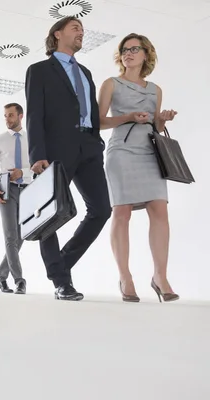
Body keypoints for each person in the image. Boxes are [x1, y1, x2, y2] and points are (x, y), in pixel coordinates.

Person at [24, 16, 112, 301]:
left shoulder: (85, 72)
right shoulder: (39, 70)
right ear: (57, 34)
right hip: (56, 150)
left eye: (83, 30)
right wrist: (37, 154)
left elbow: (91, 111)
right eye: (76, 28)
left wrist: (97, 140)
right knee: (49, 214)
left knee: (101, 209)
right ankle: (61, 281)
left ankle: (60, 264)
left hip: (89, 145)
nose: (81, 33)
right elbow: (35, 115)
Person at [98, 33, 179, 303]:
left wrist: (162, 120)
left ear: (146, 54)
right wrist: (129, 117)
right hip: (122, 149)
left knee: (160, 209)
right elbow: (98, 122)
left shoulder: (155, 89)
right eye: (124, 50)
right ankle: (125, 277)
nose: (128, 53)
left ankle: (160, 276)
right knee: (121, 211)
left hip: (149, 151)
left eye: (134, 49)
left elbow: (156, 127)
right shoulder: (111, 84)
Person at [0, 103, 31, 294]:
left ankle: (0, 276)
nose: (7, 119)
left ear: (20, 116)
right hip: (6, 190)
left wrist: (24, 171)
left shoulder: (32, 138)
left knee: (22, 235)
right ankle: (19, 280)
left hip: (29, 189)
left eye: (11, 115)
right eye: (5, 116)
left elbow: (39, 165)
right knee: (11, 235)